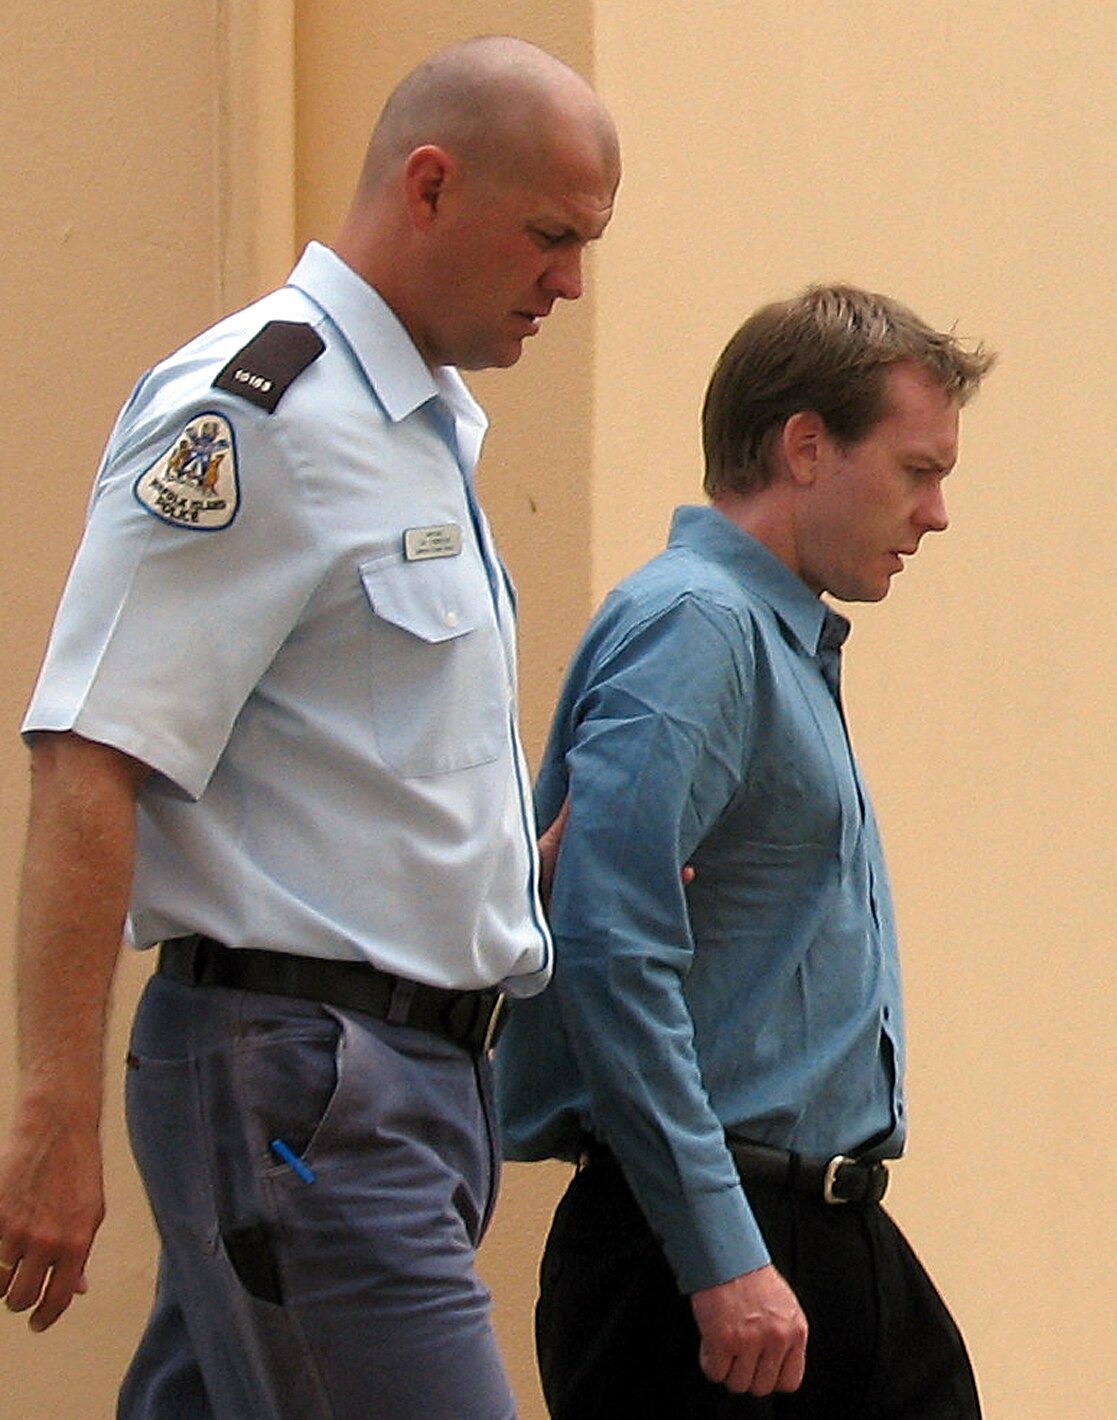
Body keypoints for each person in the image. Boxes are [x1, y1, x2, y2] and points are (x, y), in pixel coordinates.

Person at [0, 35, 619, 1420]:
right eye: (551, 237)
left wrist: (512, 879)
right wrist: (50, 1113)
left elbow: (350, 771)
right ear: (429, 185)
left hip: (401, 1085)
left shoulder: (420, 429)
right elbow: (91, 753)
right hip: (311, 1087)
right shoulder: (258, 412)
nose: (570, 284)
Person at [494, 285, 994, 1418]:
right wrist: (720, 1255)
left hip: (821, 1233)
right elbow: (611, 948)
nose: (936, 514)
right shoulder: (698, 628)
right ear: (805, 447)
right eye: (916, 471)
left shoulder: (768, 636)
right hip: (702, 1257)